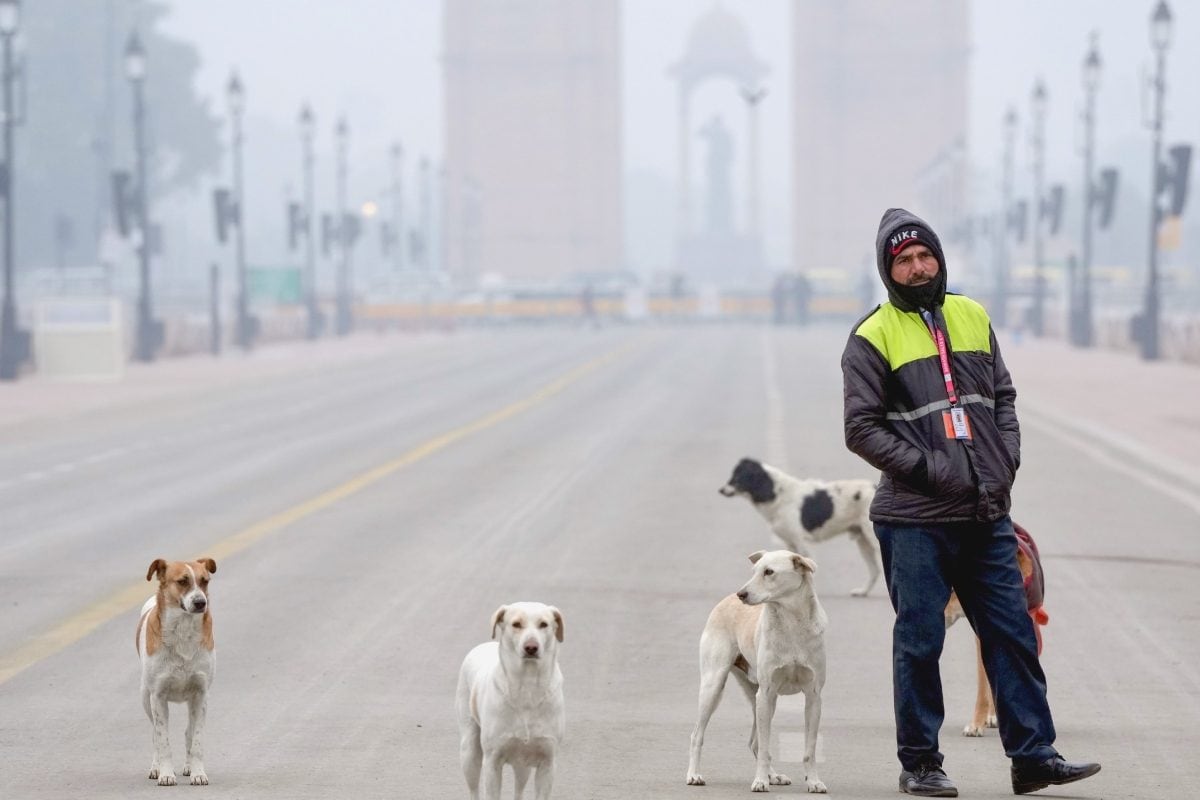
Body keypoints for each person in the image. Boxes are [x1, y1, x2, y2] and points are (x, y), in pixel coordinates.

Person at [840, 208, 1100, 798]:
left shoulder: (972, 314)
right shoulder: (870, 336)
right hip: (914, 519)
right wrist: (931, 469)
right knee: (920, 641)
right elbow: (860, 428)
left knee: (1011, 632)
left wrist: (1005, 457)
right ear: (888, 270)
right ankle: (922, 765)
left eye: (923, 255)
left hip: (985, 510)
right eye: (902, 260)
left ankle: (1033, 756)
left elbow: (1002, 396)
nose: (916, 267)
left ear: (939, 257)